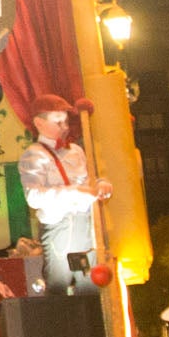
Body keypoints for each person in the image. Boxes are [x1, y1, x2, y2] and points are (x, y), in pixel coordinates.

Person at [17, 97, 103, 295]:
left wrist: (100, 185)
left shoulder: (76, 151)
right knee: (58, 283)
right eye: (57, 121)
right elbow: (34, 196)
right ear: (39, 123)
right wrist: (71, 192)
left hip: (85, 223)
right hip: (58, 226)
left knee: (90, 283)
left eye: (65, 121)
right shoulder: (33, 155)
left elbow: (90, 180)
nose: (64, 127)